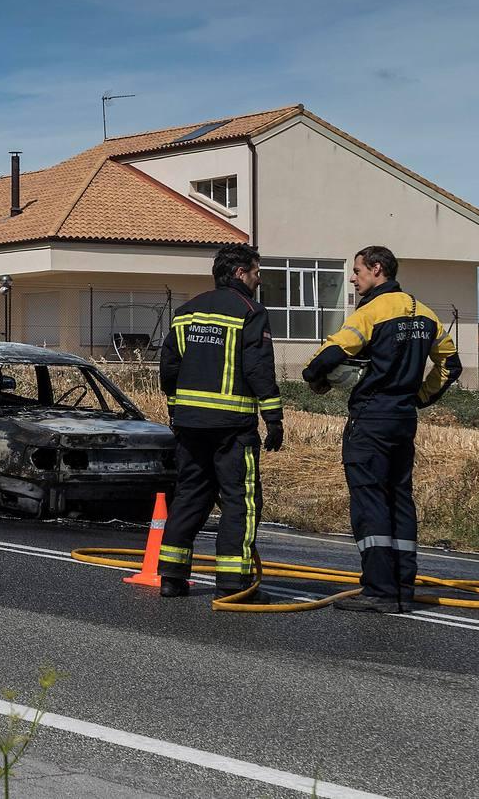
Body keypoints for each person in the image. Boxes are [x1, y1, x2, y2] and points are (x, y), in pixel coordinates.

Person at [302, 246, 461, 614]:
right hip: (403, 418)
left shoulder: (370, 312)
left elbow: (327, 358)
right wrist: (419, 397)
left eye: (357, 271)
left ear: (376, 269)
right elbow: (451, 365)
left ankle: (378, 590)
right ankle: (403, 587)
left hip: (371, 418)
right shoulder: (424, 312)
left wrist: (316, 377)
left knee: (370, 502)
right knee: (399, 499)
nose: (353, 278)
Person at [157, 244, 284, 602]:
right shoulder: (250, 311)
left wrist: (176, 411)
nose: (259, 280)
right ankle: (233, 583)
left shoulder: (186, 312)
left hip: (189, 426)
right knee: (240, 500)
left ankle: (171, 576)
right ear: (241, 273)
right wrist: (273, 418)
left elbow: (168, 368)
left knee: (190, 496)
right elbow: (259, 369)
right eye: (257, 273)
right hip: (232, 428)